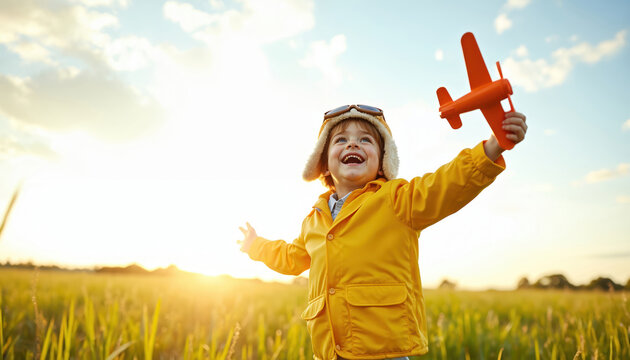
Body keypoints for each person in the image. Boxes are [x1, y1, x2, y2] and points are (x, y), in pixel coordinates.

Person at [238, 104, 527, 360]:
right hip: (329, 351)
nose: (353, 145)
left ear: (382, 162)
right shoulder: (314, 220)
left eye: (366, 140)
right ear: (323, 162)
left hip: (382, 351)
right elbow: (291, 257)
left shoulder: (397, 200)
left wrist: (491, 148)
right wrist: (256, 246)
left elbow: (445, 185)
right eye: (341, 140)